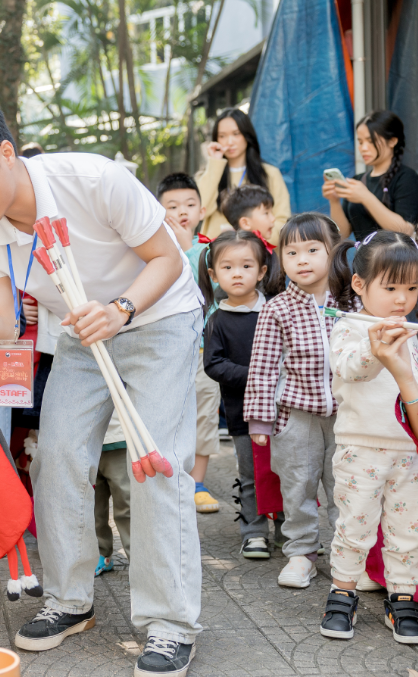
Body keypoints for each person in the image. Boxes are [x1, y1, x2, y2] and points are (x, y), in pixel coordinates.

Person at [0, 91, 204, 677]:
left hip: (158, 316)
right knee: (56, 455)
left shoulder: (95, 179)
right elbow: (2, 323)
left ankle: (170, 624)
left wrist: (119, 309)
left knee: (157, 460)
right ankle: (70, 599)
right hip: (78, 334)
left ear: (6, 153)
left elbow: (168, 260)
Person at [320, 230, 418, 642]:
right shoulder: (348, 328)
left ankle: (403, 599)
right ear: (360, 285)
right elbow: (347, 370)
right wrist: (374, 351)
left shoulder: (413, 332)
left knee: (407, 530)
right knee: (354, 528)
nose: (402, 299)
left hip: (408, 451)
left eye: (412, 287)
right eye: (391, 286)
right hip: (360, 447)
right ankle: (342, 593)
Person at [244, 214, 342, 588]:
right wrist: (259, 420)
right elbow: (263, 367)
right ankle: (301, 553)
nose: (302, 259)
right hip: (294, 414)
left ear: (333, 252)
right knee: (297, 484)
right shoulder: (278, 308)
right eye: (292, 252)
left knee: (345, 485)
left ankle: (350, 556)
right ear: (280, 260)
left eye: (313, 250)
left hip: (346, 413)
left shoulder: (351, 299)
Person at [200, 230, 285, 559]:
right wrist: (257, 376)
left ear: (262, 271)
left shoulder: (276, 311)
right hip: (242, 413)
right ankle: (253, 530)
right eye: (228, 267)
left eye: (246, 266)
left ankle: (288, 531)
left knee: (286, 472)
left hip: (285, 409)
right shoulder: (217, 319)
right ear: (213, 274)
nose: (237, 273)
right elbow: (214, 364)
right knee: (251, 473)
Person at [158, 172, 223, 514]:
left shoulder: (211, 250)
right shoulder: (154, 249)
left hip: (203, 350)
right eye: (172, 205)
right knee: (169, 413)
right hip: (168, 348)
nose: (182, 211)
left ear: (202, 210)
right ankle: (174, 477)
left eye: (190, 204)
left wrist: (188, 247)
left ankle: (197, 481)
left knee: (204, 415)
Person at [197, 108, 291, 243]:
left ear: (247, 135)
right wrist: (215, 164)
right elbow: (199, 210)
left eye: (236, 134)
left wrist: (253, 242)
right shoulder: (209, 172)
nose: (229, 142)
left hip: (256, 256)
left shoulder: (269, 174)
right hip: (214, 254)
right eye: (222, 136)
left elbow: (281, 221)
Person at [324, 111, 418, 240]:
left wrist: (366, 197)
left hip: (394, 260)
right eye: (361, 142)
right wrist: (334, 201)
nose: (363, 148)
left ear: (392, 141)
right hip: (363, 259)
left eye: (371, 141)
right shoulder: (357, 181)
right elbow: (342, 235)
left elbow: (404, 230)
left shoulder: (406, 177)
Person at [93, 413, 131, 576]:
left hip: (119, 435)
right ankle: (100, 553)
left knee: (126, 504)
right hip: (86, 438)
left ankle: (138, 561)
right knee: (92, 504)